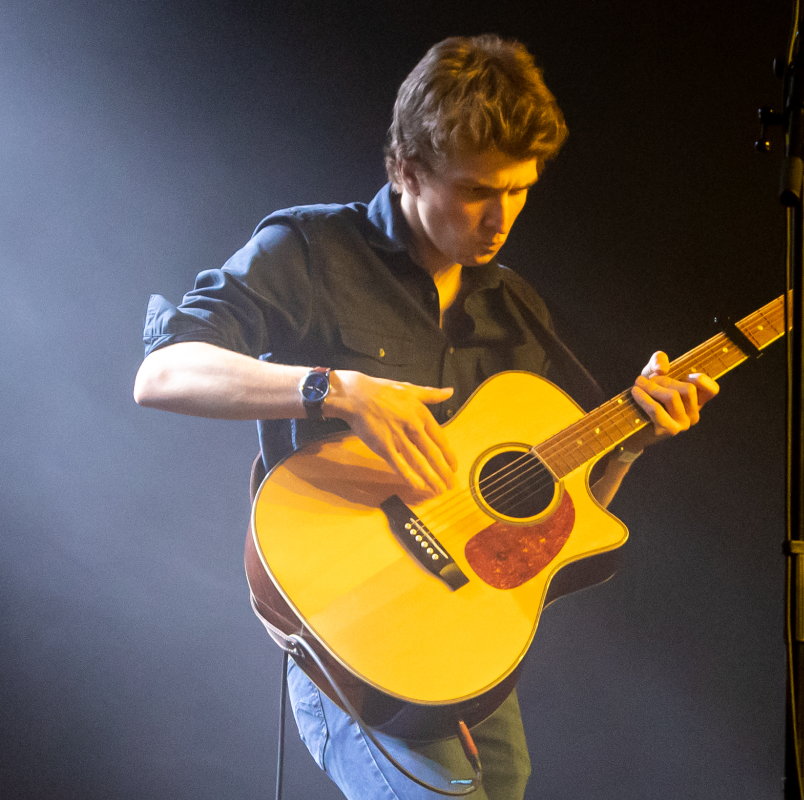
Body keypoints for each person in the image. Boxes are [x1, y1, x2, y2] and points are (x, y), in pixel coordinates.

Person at [134, 34, 718, 800]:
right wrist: (336, 389)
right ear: (405, 167)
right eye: (478, 190)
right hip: (347, 635)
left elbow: (545, 529)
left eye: (519, 190)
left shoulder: (518, 312)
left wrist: (629, 446)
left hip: (456, 646)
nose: (500, 217)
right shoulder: (311, 249)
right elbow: (162, 373)